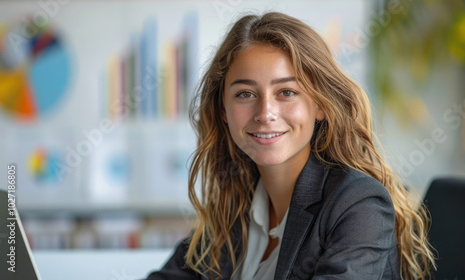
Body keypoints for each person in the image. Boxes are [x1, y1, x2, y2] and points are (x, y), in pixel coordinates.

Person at [146, 12, 435, 280]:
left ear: (320, 105)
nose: (265, 112)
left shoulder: (358, 205)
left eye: (286, 92)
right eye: (245, 94)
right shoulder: (237, 202)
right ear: (224, 112)